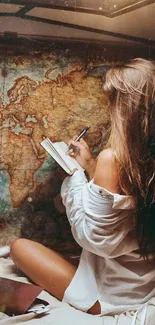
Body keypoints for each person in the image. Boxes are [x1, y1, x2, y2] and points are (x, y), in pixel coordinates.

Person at [10, 58, 155, 322]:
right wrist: (90, 164)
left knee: (19, 248)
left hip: (110, 297)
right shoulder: (138, 160)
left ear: (125, 107)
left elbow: (93, 239)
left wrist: (76, 174)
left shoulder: (114, 159)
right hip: (144, 283)